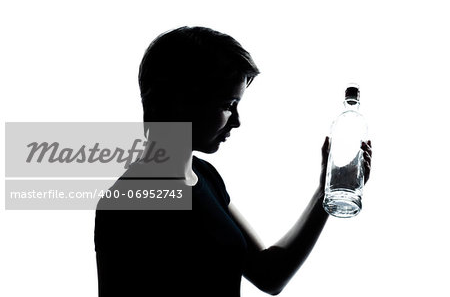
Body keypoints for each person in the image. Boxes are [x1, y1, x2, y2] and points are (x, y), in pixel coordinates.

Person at [94, 26, 372, 297]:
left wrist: (327, 190)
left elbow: (269, 274)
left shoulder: (205, 177)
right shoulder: (128, 202)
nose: (237, 121)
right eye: (228, 105)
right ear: (180, 100)